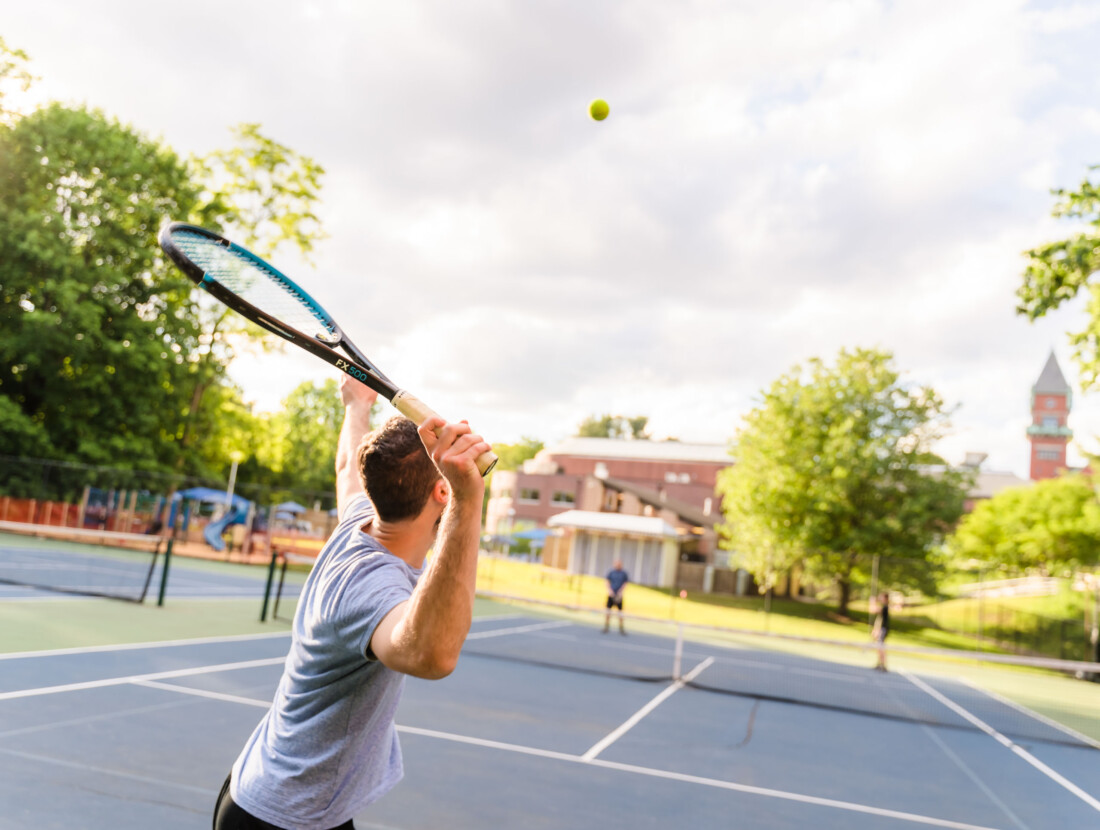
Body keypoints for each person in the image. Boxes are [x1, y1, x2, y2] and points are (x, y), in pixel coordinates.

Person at [213, 374, 490, 830]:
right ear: (441, 492)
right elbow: (433, 654)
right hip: (284, 817)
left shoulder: (360, 519)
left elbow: (347, 466)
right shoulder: (370, 589)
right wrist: (468, 499)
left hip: (286, 800)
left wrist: (355, 406)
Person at [603, 559, 629, 635]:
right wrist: (610, 591)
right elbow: (607, 581)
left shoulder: (623, 573)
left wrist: (620, 591)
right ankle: (606, 627)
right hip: (611, 594)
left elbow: (625, 583)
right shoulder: (611, 572)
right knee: (608, 611)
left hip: (619, 595)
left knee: (620, 612)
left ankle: (621, 628)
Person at [872, 591, 890, 672]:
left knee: (881, 647)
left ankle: (883, 664)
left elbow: (874, 610)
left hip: (883, 630)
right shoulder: (884, 607)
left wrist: (873, 602)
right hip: (881, 629)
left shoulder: (885, 607)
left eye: (882, 597)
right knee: (879, 647)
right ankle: (880, 663)